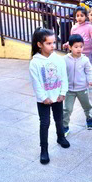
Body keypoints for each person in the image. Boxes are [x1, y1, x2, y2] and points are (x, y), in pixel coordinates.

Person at [29, 27, 70, 165]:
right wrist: (43, 97)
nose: (53, 46)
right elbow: (36, 83)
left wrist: (63, 92)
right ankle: (44, 149)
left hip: (57, 97)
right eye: (49, 43)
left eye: (54, 42)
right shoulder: (35, 62)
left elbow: (64, 76)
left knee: (59, 119)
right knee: (45, 124)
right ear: (39, 44)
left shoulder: (59, 59)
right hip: (43, 100)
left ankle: (60, 137)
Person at [63, 34, 92, 137]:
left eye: (81, 46)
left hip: (82, 88)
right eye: (76, 47)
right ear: (70, 47)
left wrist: (91, 80)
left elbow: (89, 71)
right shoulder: (64, 59)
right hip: (69, 90)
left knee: (86, 106)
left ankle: (89, 118)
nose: (79, 49)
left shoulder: (85, 60)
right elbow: (60, 72)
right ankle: (64, 126)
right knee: (67, 109)